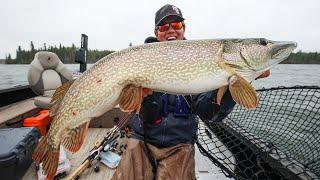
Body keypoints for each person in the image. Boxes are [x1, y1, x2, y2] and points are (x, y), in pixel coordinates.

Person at [112, 4, 270, 180]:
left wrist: (231, 89)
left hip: (179, 144)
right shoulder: (142, 59)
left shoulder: (200, 62)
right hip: (142, 139)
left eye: (177, 25)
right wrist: (144, 97)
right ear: (157, 33)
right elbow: (144, 113)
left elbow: (209, 113)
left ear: (184, 29)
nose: (171, 30)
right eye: (164, 27)